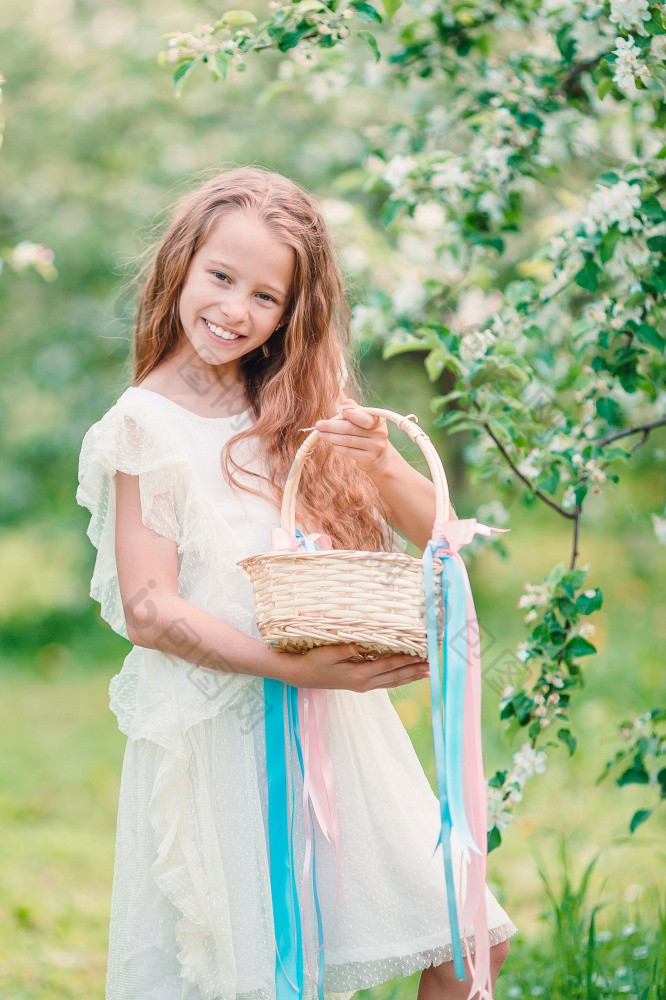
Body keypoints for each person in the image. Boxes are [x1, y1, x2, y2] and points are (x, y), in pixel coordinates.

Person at [76, 165, 516, 1000]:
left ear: (291, 312)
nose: (235, 310)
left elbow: (441, 538)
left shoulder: (288, 401)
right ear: (181, 264)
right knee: (257, 978)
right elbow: (148, 608)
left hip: (340, 724)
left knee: (468, 943)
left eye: (265, 297)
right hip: (229, 731)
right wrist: (289, 669)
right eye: (221, 277)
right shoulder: (144, 426)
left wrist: (381, 463)